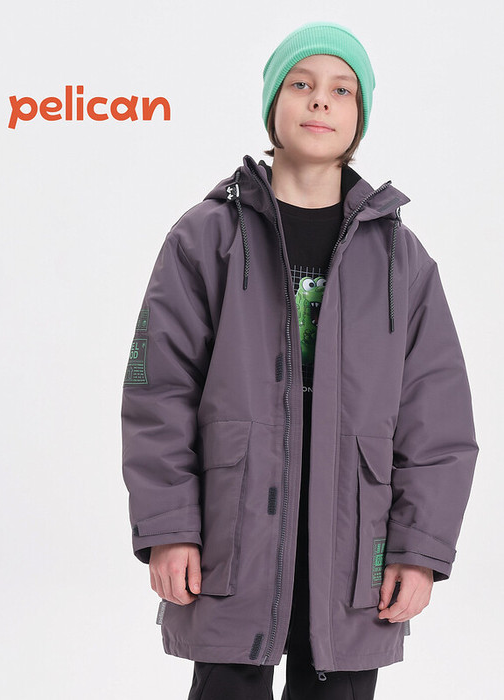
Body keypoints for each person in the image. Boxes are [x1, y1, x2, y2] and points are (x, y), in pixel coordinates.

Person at [121, 21, 479, 700]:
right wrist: (169, 529)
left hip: (354, 546)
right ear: (272, 105)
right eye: (301, 84)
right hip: (232, 536)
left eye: (342, 90)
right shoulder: (206, 238)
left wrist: (417, 548)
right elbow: (157, 392)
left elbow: (437, 419)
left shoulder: (400, 260)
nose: (320, 100)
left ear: (359, 116)